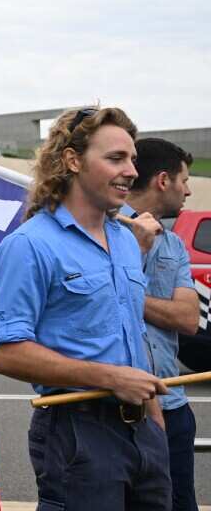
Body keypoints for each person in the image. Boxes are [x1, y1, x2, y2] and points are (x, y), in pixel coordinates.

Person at [0, 106, 171, 510]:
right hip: (76, 432)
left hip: (144, 434)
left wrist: (154, 419)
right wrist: (109, 377)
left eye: (133, 159)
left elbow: (131, 336)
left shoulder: (124, 239)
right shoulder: (29, 245)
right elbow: (5, 352)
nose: (132, 171)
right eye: (116, 158)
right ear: (72, 160)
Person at [127, 137, 197, 511]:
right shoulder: (103, 233)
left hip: (174, 405)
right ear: (163, 180)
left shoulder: (173, 244)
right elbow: (100, 307)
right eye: (184, 181)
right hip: (123, 410)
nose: (188, 191)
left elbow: (187, 318)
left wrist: (127, 299)